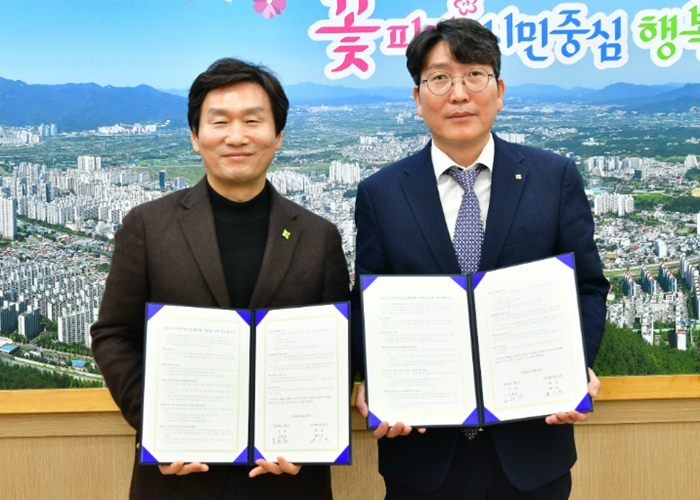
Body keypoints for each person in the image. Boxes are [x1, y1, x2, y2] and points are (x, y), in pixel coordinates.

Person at [351, 18, 609, 499]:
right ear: (417, 98)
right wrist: (376, 379)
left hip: (534, 444)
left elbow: (588, 288)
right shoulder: (380, 194)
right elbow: (368, 304)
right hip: (422, 452)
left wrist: (574, 366)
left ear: (499, 90)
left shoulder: (553, 177)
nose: (459, 93)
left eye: (474, 74)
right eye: (440, 78)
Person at [91, 58, 349, 500]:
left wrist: (312, 437)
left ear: (278, 136)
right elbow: (114, 335)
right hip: (180, 478)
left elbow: (338, 348)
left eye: (253, 120)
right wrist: (157, 425)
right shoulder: (148, 227)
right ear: (195, 136)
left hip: (288, 478)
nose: (236, 136)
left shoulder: (318, 236)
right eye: (219, 121)